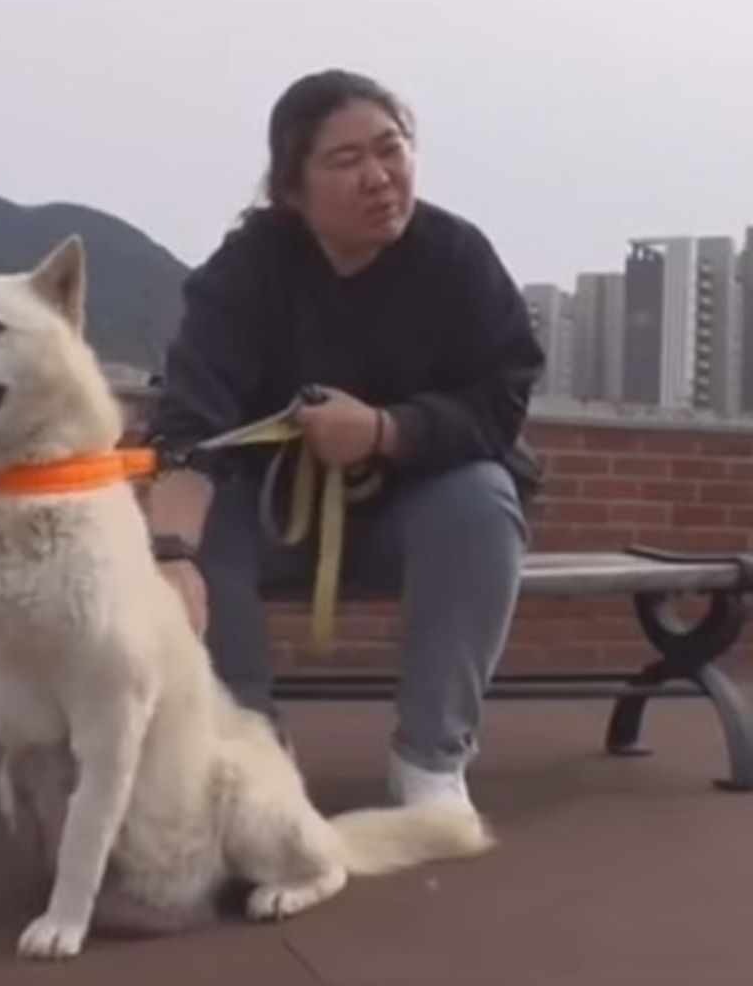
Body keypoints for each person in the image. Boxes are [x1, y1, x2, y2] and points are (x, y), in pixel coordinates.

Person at [144, 68, 545, 814]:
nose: (379, 177)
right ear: (289, 191)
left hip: (413, 513)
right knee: (195, 536)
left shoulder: (456, 259)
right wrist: (168, 556)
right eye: (345, 160)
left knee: (483, 501)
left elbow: (500, 400)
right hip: (271, 516)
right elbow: (188, 427)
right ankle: (248, 753)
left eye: (391, 149)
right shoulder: (245, 273)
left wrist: (385, 431)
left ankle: (430, 759)